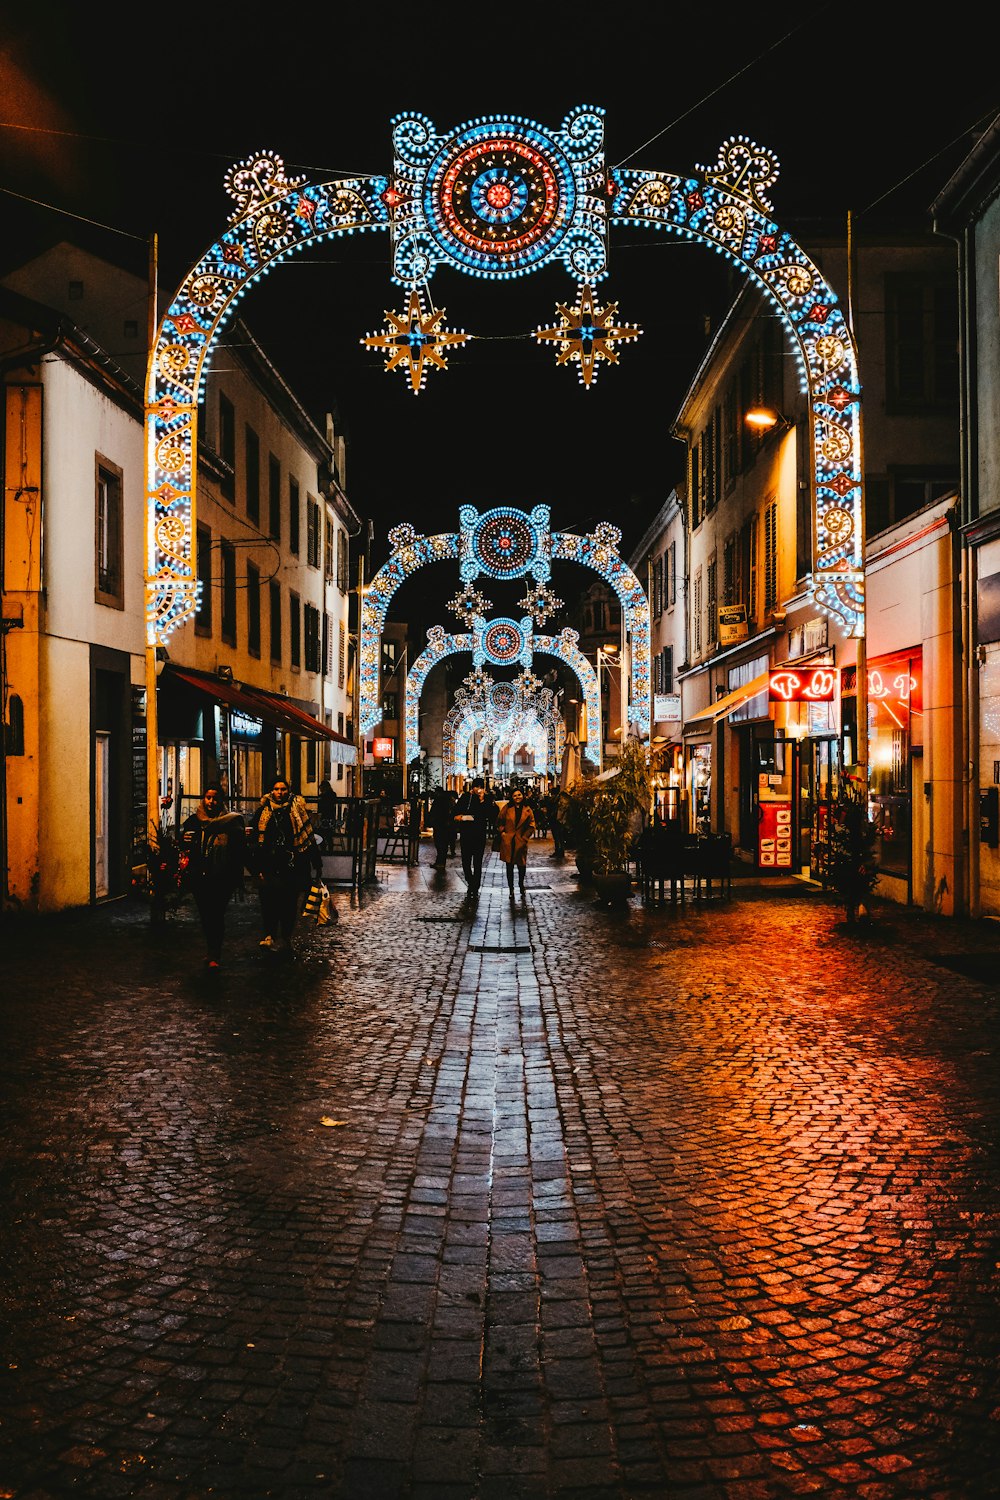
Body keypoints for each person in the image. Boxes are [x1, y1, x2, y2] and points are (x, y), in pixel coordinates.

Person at [247, 778, 322, 957]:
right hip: (269, 865)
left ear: (288, 791)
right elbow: (255, 840)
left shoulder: (297, 811)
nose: (279, 793)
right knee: (268, 902)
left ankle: (286, 937)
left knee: (288, 904)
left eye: (283, 789)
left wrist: (316, 863)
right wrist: (255, 867)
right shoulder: (263, 812)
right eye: (276, 789)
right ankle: (269, 934)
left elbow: (308, 837)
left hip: (291, 865)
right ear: (271, 791)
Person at [181, 784, 246, 970]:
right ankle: (211, 949)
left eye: (215, 798)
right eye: (208, 797)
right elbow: (184, 843)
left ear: (221, 800)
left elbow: (240, 850)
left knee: (216, 914)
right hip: (200, 876)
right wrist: (184, 839)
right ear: (203, 798)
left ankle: (214, 953)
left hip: (223, 877)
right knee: (205, 915)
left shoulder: (231, 822)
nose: (211, 801)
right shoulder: (194, 821)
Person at [497, 785, 536, 899]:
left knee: (521, 865)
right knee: (509, 866)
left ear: (523, 796)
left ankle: (521, 884)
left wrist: (525, 837)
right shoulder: (507, 808)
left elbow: (532, 825)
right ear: (511, 797)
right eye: (515, 795)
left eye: (519, 795)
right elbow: (499, 821)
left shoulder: (527, 809)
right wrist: (503, 833)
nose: (517, 797)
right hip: (509, 841)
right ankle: (511, 889)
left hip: (521, 841)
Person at [453, 778, 490, 897]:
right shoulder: (465, 798)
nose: (478, 789)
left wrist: (482, 800)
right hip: (466, 834)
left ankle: (475, 886)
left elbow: (489, 814)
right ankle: (470, 881)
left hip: (479, 835)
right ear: (472, 787)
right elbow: (455, 812)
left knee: (478, 862)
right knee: (466, 861)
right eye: (476, 787)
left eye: (480, 787)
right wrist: (460, 817)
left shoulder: (486, 799)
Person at [428, 787, 454, 870]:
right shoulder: (447, 800)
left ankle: (440, 862)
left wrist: (432, 821)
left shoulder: (439, 801)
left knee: (440, 844)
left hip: (440, 824)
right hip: (444, 825)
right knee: (443, 844)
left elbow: (435, 813)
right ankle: (441, 862)